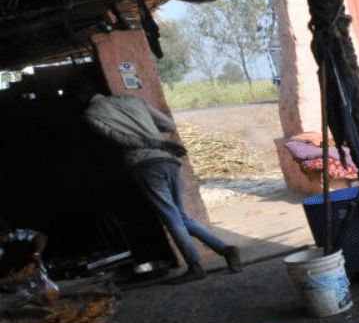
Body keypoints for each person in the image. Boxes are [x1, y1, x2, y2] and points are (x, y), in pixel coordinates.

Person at [77, 84, 241, 285]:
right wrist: (158, 141)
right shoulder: (132, 100)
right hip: (168, 161)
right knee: (180, 216)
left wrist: (155, 144)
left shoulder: (91, 114)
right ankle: (226, 249)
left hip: (145, 165)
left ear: (81, 97)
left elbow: (120, 138)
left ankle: (195, 267)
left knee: (171, 218)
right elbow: (168, 126)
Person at [0, 217, 48, 292]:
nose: (5, 238)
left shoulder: (9, 236)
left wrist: (37, 253)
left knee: (22, 244)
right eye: (2, 236)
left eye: (4, 235)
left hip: (13, 270)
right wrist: (12, 279)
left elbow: (40, 236)